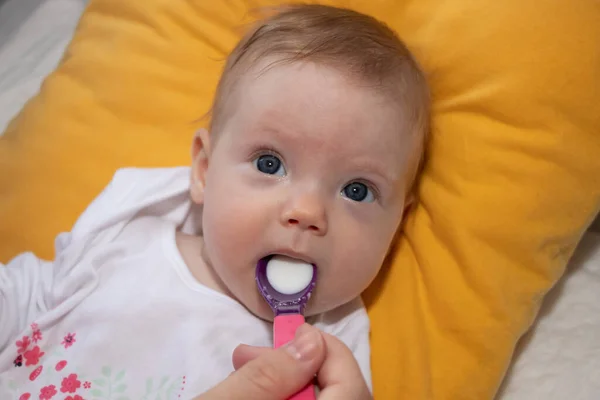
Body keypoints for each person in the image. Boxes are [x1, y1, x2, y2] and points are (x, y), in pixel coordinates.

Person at [0, 4, 429, 399]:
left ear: (396, 225)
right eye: (269, 162)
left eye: (357, 190)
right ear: (204, 171)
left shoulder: (334, 353)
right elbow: (26, 296)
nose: (307, 213)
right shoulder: (125, 237)